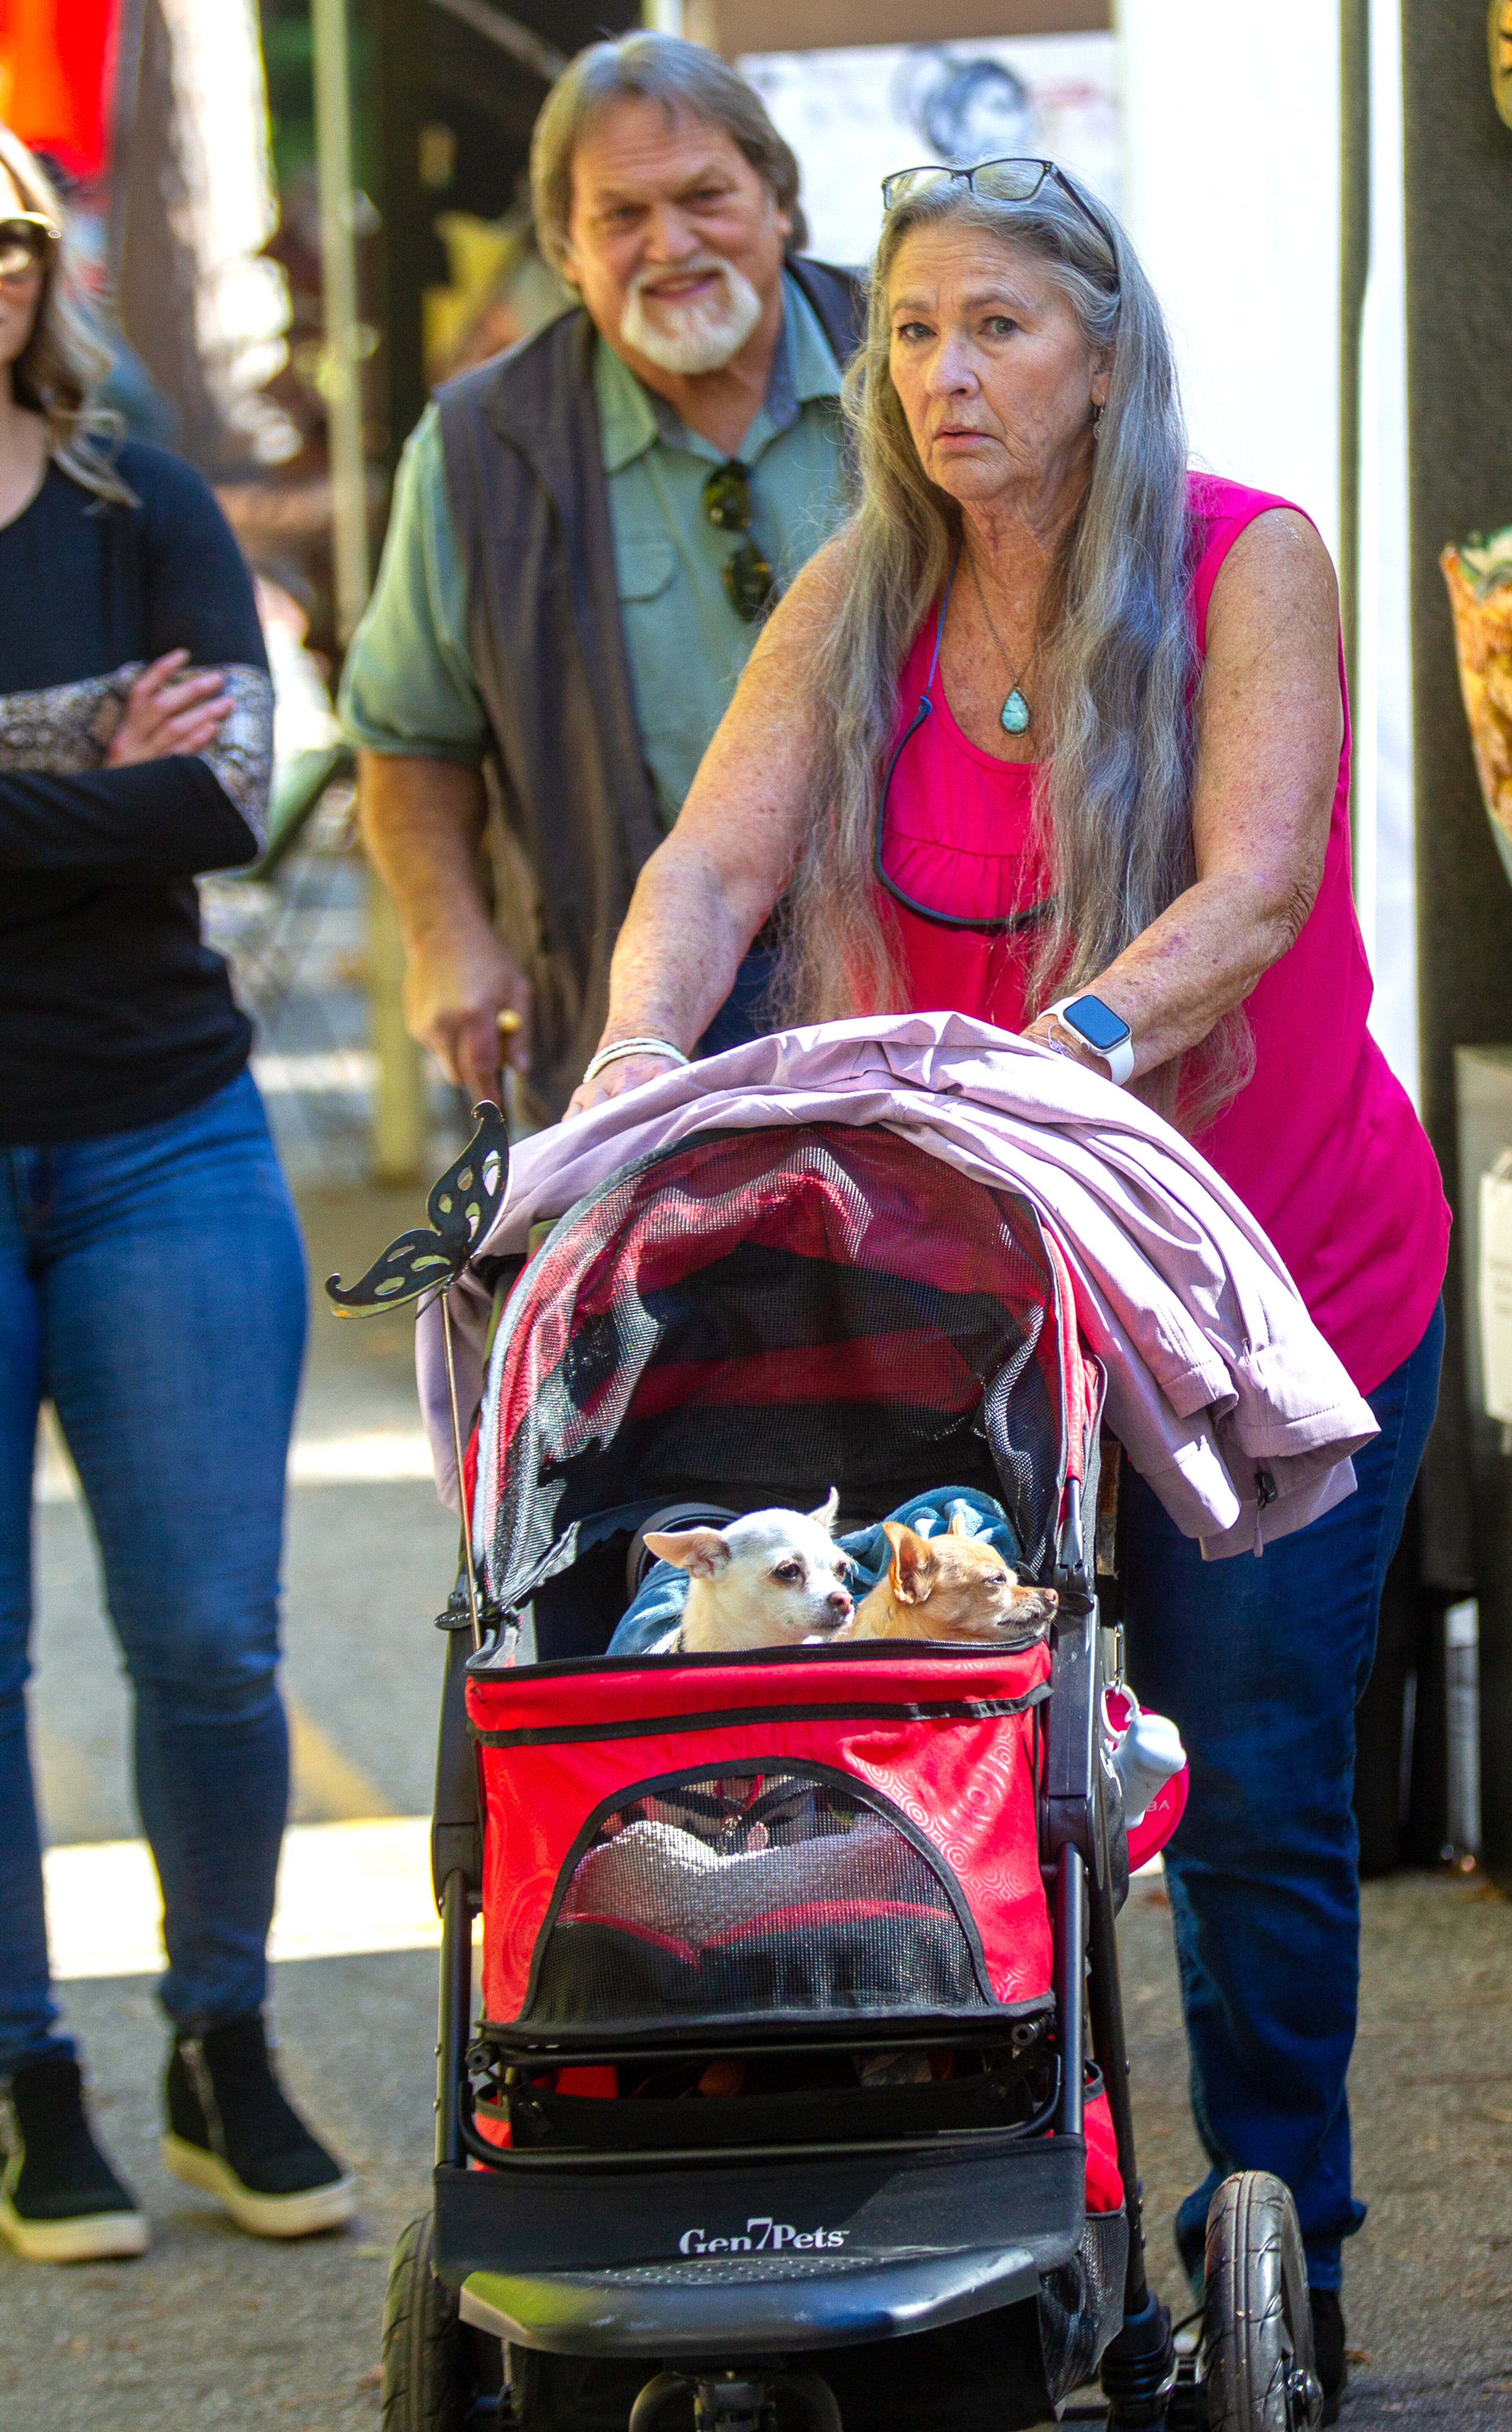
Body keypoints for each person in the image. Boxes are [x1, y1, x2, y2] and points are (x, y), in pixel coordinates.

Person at [568, 158, 1450, 2417]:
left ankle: (1287, 2248)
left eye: (1002, 332)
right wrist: (633, 1070)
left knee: (1248, 1788)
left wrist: (1039, 1065)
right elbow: (710, 864)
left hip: (1265, 1291)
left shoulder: (1250, 559)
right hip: (977, 1329)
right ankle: (956, 2216)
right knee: (945, 1760)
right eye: (918, 335)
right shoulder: (869, 590)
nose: (946, 377)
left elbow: (1253, 893)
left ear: (1104, 351)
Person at [0, 125, 350, 2262]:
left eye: (5, 239)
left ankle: (223, 2043)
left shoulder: (151, 510)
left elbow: (222, 800)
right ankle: (27, 2074)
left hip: (161, 1135)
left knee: (213, 1639)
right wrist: (80, 766)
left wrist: (85, 779)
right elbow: (138, 792)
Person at [342, 32, 864, 1118]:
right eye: (620, 218)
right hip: (639, 1012)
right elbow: (407, 735)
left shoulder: (916, 358)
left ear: (779, 198)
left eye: (705, 196)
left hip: (933, 967)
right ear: (566, 252)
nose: (671, 245)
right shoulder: (483, 447)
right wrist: (447, 938)